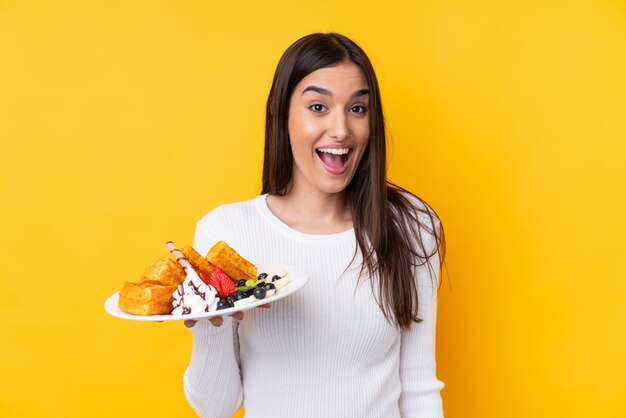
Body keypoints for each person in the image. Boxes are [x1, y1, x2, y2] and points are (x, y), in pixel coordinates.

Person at [183, 32, 446, 418]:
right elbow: (217, 408)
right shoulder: (226, 233)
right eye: (319, 106)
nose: (341, 130)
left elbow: (420, 389)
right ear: (281, 112)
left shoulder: (413, 227)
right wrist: (209, 325)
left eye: (358, 109)